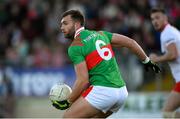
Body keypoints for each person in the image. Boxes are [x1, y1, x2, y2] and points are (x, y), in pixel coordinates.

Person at [52, 9, 161, 118]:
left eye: (65, 24)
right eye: (61, 24)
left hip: (103, 91)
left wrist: (68, 101)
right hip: (122, 92)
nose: (62, 28)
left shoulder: (75, 46)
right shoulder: (102, 34)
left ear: (76, 24)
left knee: (68, 117)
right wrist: (146, 61)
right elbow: (131, 43)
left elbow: (83, 81)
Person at [150, 7, 180, 118]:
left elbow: (173, 54)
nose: (154, 21)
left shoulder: (167, 33)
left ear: (165, 18)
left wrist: (156, 59)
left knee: (167, 113)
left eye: (157, 18)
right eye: (152, 19)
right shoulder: (173, 31)